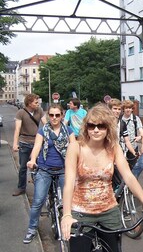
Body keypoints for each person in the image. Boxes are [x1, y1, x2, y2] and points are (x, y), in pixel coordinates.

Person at [60, 104, 143, 252]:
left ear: (108, 128)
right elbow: (68, 184)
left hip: (109, 210)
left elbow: (129, 177)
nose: (96, 130)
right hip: (81, 211)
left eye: (101, 126)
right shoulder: (76, 147)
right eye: (91, 126)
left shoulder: (113, 147)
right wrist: (66, 215)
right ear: (86, 127)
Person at [23, 104, 75, 244]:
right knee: (38, 201)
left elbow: (75, 148)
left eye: (57, 115)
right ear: (48, 116)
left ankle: (71, 226)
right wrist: (33, 160)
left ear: (62, 116)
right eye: (51, 115)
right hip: (45, 169)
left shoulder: (68, 130)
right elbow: (37, 147)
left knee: (69, 201)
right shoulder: (42, 131)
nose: (54, 118)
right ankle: (32, 229)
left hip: (64, 169)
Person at [12, 93, 47, 196]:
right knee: (23, 167)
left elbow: (45, 124)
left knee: (38, 166)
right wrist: (15, 144)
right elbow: (17, 129)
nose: (38, 104)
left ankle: (39, 188)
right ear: (29, 103)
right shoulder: (20, 113)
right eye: (36, 102)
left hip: (37, 143)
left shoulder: (39, 111)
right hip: (24, 143)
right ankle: (21, 188)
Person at [120, 99, 143, 164]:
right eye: (126, 108)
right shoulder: (119, 119)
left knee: (133, 167)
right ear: (123, 109)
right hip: (121, 147)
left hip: (133, 146)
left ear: (132, 109)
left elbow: (141, 130)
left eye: (130, 108)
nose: (128, 110)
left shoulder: (135, 119)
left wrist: (140, 136)